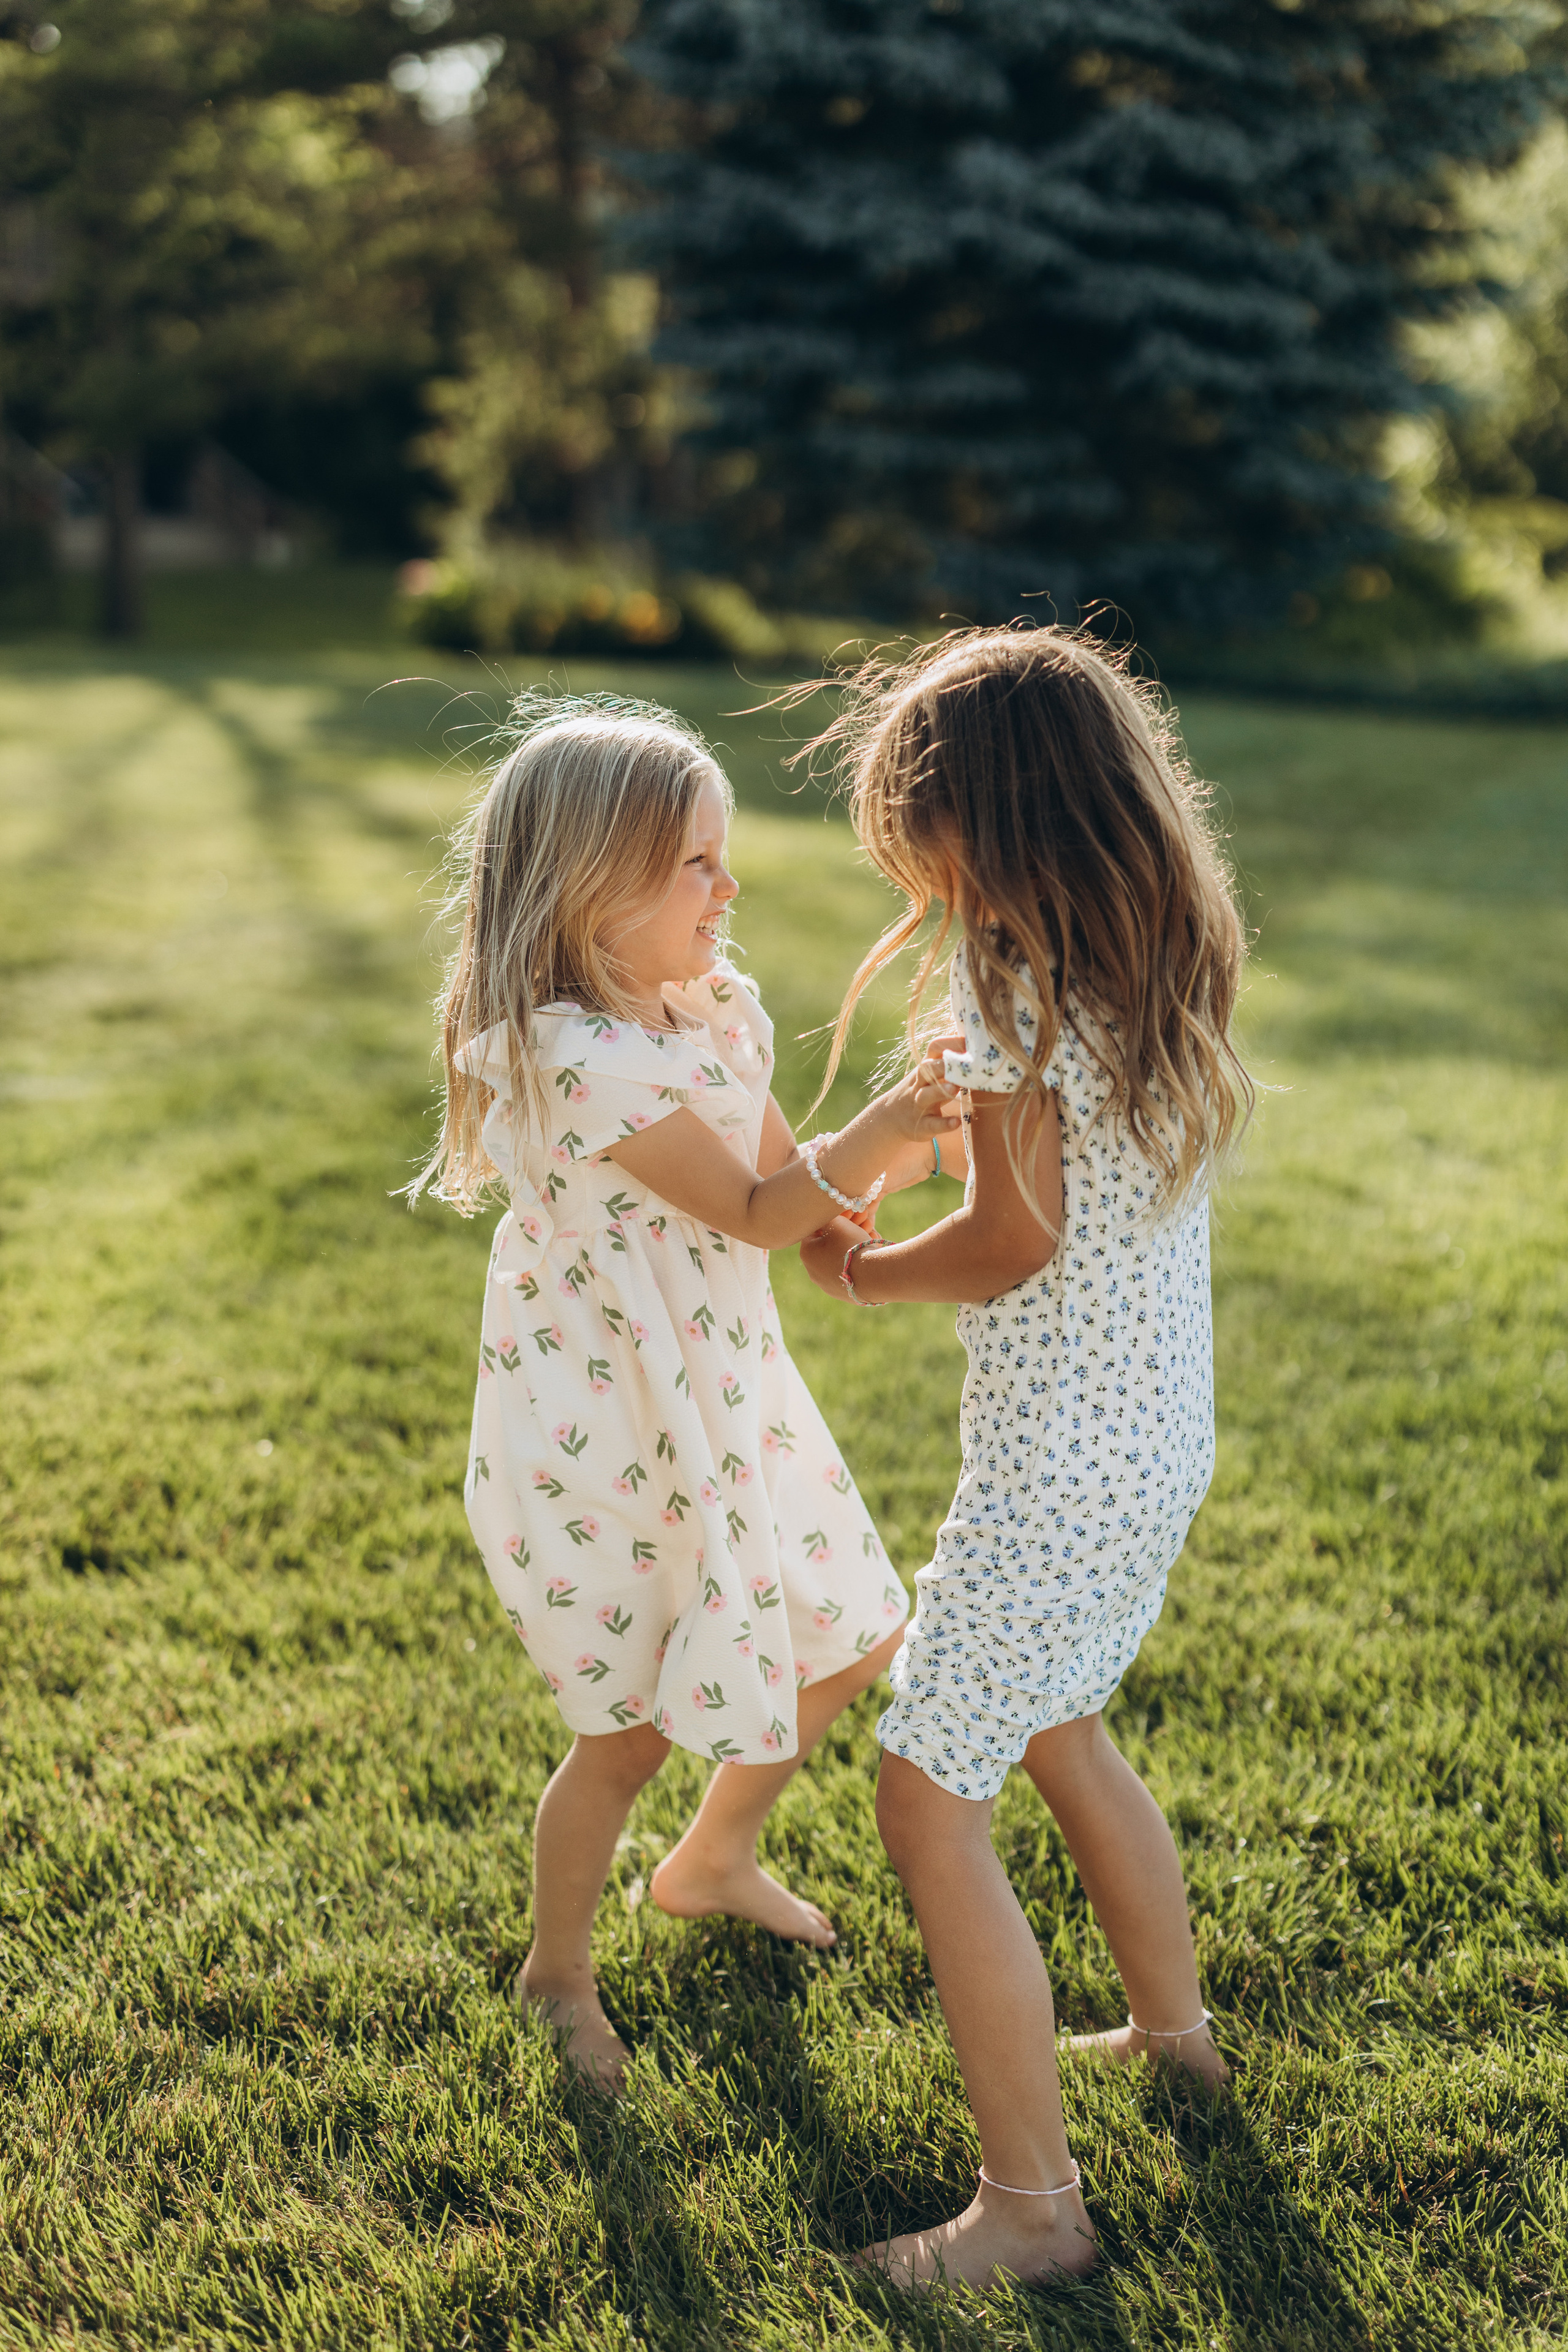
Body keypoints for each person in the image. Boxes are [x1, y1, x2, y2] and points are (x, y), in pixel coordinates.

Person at [794, 625, 1254, 2288]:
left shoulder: (1008, 979)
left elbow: (1011, 1241)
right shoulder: (1150, 957)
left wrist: (860, 1267)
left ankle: (1034, 2214)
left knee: (927, 1800)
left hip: (1054, 1469)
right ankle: (1175, 2036)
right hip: (1153, 1446)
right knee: (1064, 1726)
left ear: (971, 823)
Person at [411, 692, 951, 2090]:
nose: (730, 885)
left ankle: (710, 1862)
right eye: (696, 863)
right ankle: (556, 1971)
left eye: (723, 857)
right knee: (631, 1724)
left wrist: (895, 1173)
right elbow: (764, 1204)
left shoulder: (704, 1012)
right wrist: (867, 1142)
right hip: (613, 1427)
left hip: (724, 1396)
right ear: (594, 892)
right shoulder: (576, 1057)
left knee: (838, 1636)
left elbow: (792, 1188)